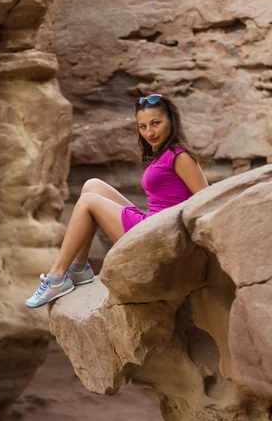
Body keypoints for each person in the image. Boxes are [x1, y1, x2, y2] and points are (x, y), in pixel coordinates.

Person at [26, 94, 209, 308]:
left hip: (159, 236)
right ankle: (79, 269)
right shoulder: (164, 153)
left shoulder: (180, 156)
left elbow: (205, 199)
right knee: (92, 185)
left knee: (88, 202)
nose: (149, 132)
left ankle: (56, 277)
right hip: (152, 225)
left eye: (156, 123)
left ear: (171, 121)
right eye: (142, 126)